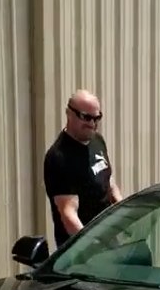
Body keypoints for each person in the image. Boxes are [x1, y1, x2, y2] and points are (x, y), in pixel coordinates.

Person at [43, 89, 123, 249]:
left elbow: (108, 180)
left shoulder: (97, 141)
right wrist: (91, 247)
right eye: (86, 117)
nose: (92, 124)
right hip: (80, 253)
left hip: (108, 240)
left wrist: (125, 211)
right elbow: (68, 213)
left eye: (97, 118)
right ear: (69, 113)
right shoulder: (59, 157)